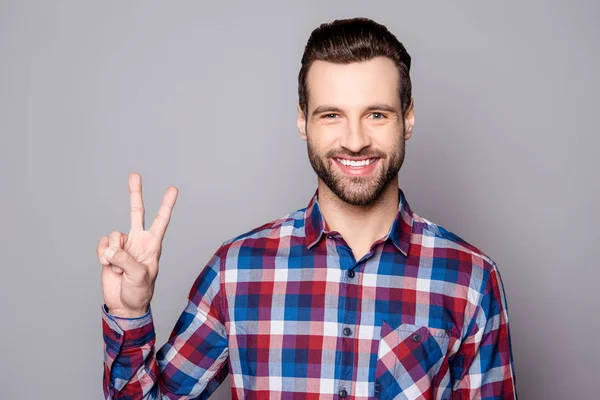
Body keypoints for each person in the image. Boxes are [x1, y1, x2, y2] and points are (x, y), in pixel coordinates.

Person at [98, 17, 517, 400]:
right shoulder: (236, 271)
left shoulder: (471, 279)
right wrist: (129, 313)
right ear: (303, 122)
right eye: (332, 115)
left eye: (376, 114)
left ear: (407, 119)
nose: (354, 140)